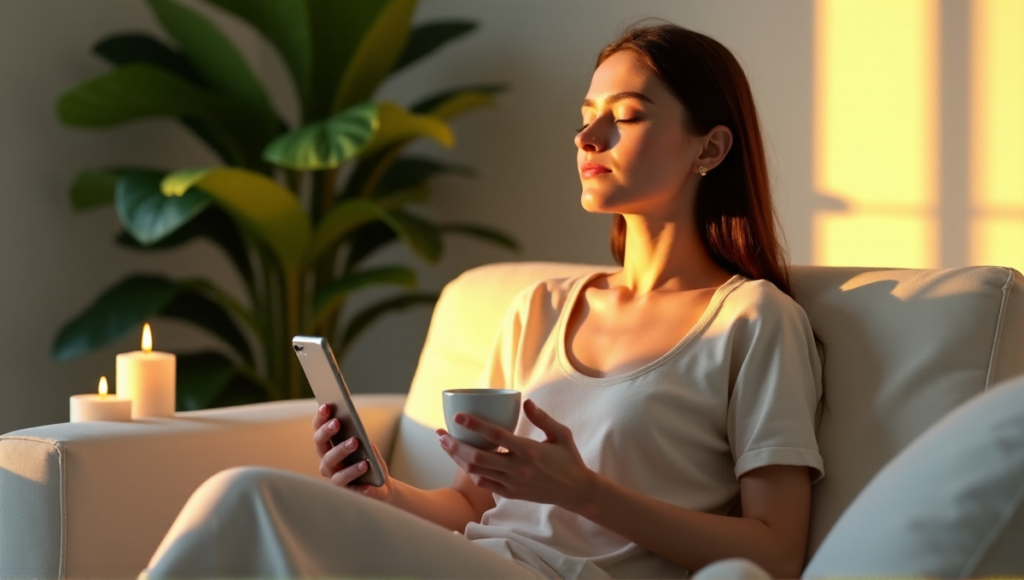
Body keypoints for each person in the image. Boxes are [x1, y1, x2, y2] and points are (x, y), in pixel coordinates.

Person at [143, 23, 823, 580]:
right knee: (252, 510)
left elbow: (775, 552)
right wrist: (381, 491)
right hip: (476, 562)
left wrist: (583, 491)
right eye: (587, 117)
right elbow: (474, 501)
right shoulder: (542, 307)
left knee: (244, 495)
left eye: (627, 117)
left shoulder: (754, 321)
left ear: (711, 147)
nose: (589, 139)